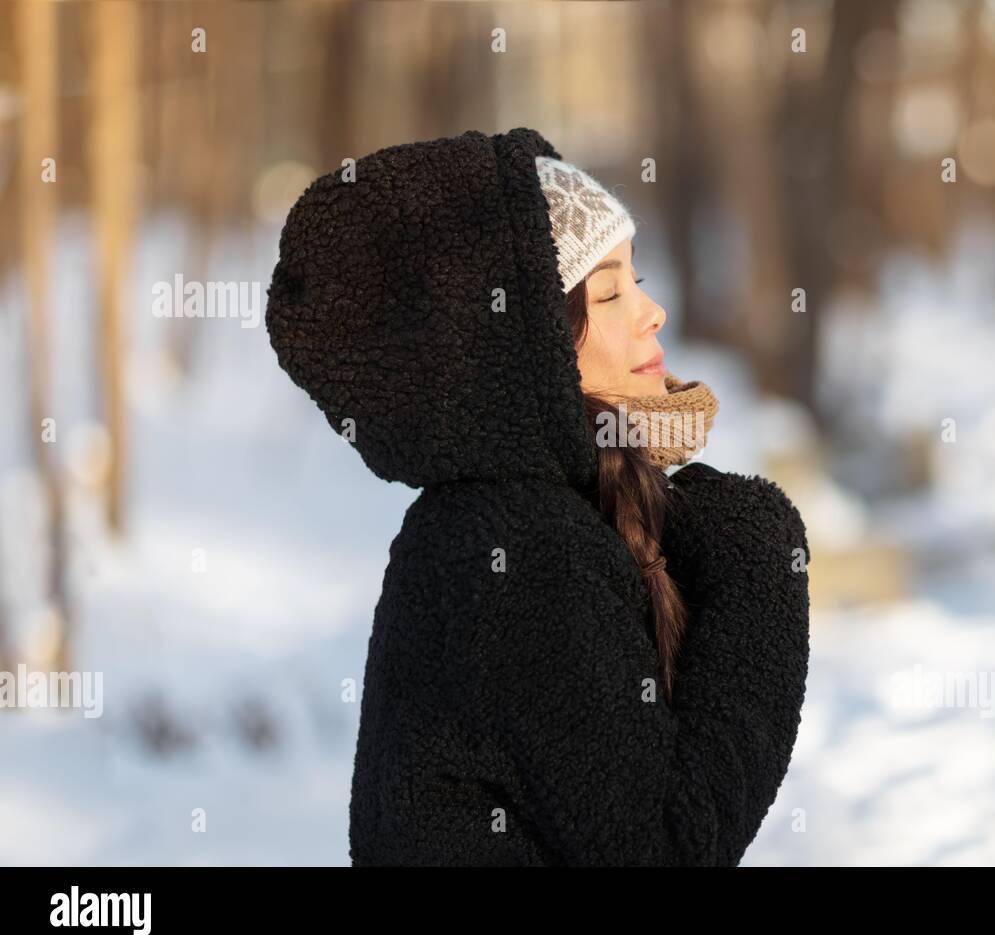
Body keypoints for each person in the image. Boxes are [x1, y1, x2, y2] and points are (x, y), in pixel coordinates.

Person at [265, 127, 811, 866]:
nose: (652, 313)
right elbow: (668, 846)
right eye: (609, 290)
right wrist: (759, 555)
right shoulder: (515, 554)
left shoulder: (537, 516)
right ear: (529, 345)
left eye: (638, 280)